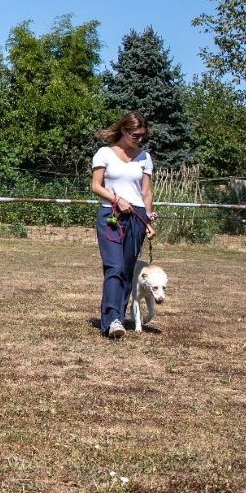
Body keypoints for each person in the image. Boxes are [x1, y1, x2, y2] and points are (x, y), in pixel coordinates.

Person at [91, 110, 156, 339]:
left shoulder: (144, 157)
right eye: (135, 135)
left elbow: (146, 192)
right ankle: (112, 319)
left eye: (142, 135)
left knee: (127, 271)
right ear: (124, 130)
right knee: (114, 267)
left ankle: (117, 316)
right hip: (111, 215)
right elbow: (96, 186)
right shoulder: (104, 153)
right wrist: (117, 199)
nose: (139, 139)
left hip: (136, 217)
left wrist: (147, 219)